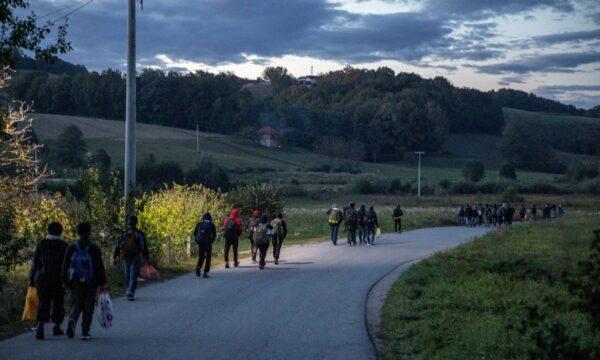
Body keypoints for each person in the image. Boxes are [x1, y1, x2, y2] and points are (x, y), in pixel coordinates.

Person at [62, 222, 106, 340]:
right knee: (88, 305)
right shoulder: (94, 248)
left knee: (76, 302)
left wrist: (65, 280)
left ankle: (72, 319)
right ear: (89, 232)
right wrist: (103, 282)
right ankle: (85, 332)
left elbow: (65, 264)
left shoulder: (72, 247)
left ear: (78, 232)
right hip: (91, 280)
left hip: (75, 280)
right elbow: (99, 266)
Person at [29, 222, 69, 340]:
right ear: (60, 231)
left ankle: (41, 324)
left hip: (43, 278)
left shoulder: (42, 244)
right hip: (59, 279)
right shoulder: (64, 246)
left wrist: (31, 278)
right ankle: (56, 326)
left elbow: (35, 264)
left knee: (43, 301)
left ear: (48, 230)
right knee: (58, 302)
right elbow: (68, 265)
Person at [114, 215, 149, 301]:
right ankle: (130, 292)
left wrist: (115, 256)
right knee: (133, 275)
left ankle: (128, 290)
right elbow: (143, 247)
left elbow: (118, 245)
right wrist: (146, 257)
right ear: (136, 223)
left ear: (128, 223)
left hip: (126, 256)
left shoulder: (124, 233)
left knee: (128, 275)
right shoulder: (139, 234)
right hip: (136, 257)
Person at [194, 212, 217, 278]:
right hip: (208, 243)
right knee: (208, 257)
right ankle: (205, 272)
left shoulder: (199, 224)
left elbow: (195, 233)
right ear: (210, 218)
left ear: (203, 218)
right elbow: (214, 235)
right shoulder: (211, 224)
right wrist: (211, 241)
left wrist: (197, 241)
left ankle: (198, 267)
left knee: (201, 256)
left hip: (201, 243)